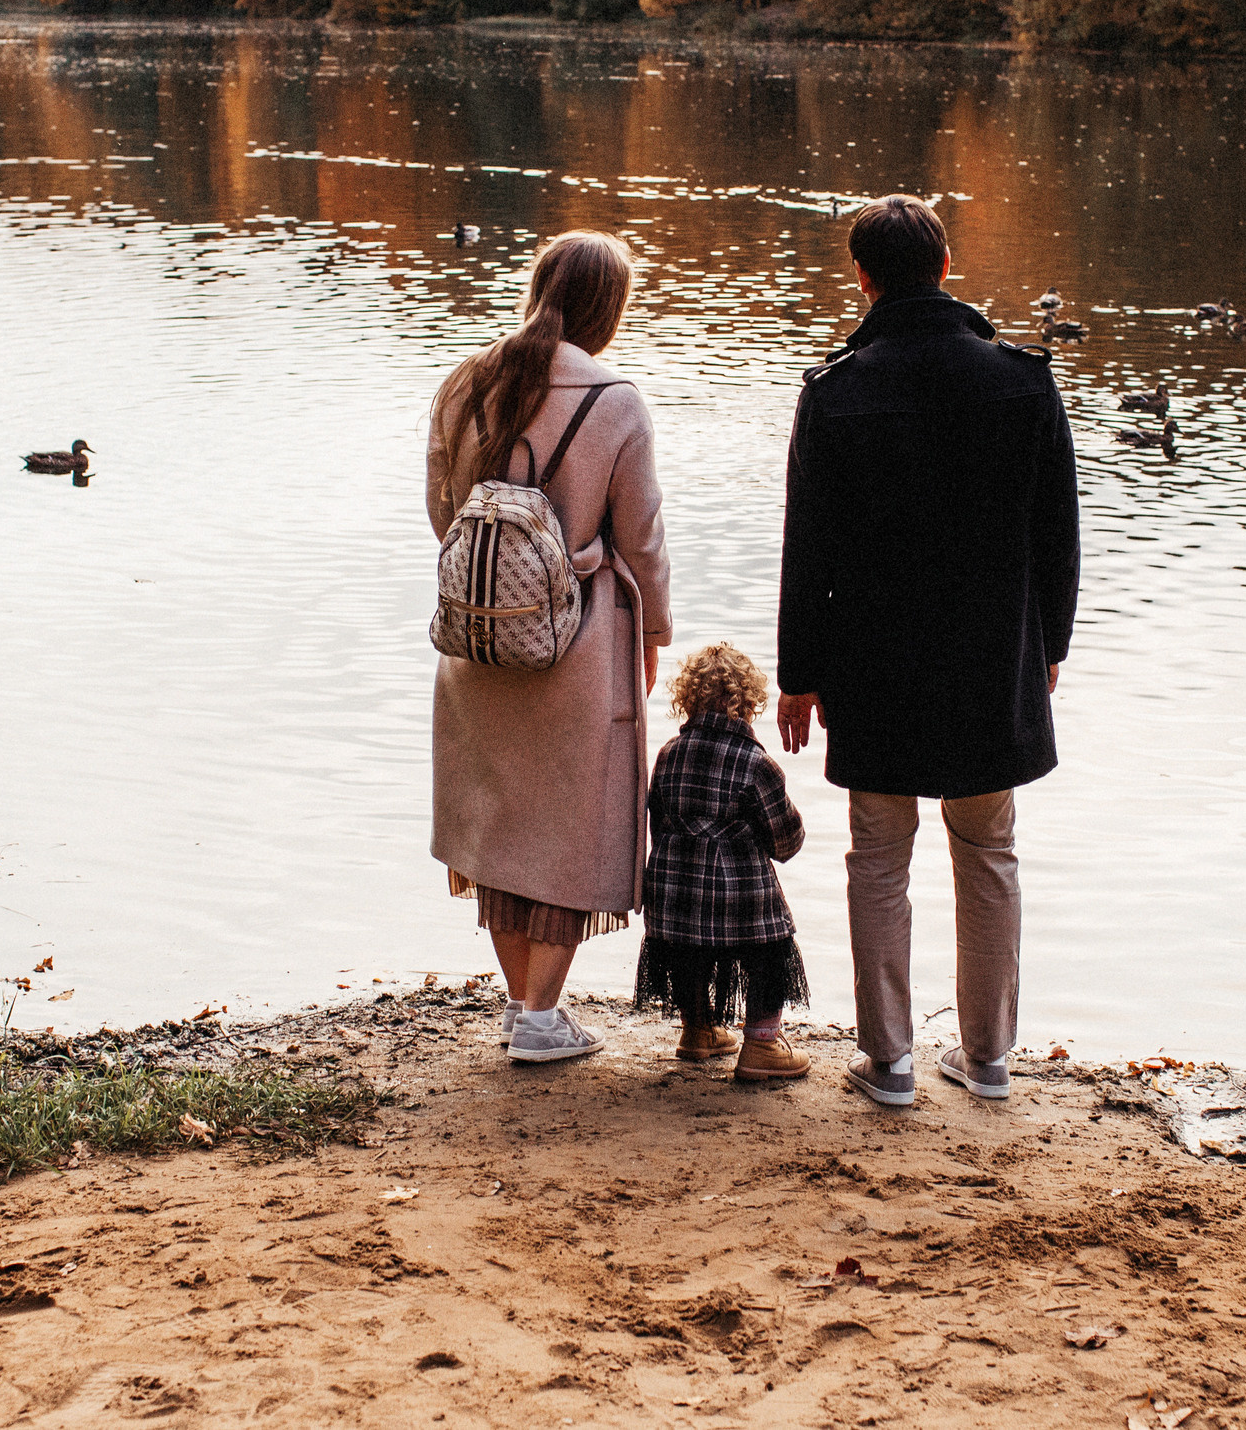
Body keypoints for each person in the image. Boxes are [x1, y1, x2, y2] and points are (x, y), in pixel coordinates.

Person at [776, 194, 1078, 1106]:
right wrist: (1049, 648)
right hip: (993, 661)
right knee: (988, 851)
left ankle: (891, 1062)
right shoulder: (1025, 381)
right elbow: (1058, 537)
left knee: (879, 854)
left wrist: (800, 675)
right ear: (947, 267)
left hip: (876, 662)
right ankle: (988, 1061)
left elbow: (809, 548)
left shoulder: (836, 391)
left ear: (863, 278)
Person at [429, 231, 672, 1064]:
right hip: (578, 643)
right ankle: (540, 1014)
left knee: (498, 823)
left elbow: (444, 511)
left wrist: (497, 587)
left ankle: (523, 1006)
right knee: (570, 825)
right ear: (609, 310)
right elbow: (641, 540)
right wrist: (656, 634)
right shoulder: (617, 400)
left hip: (475, 640)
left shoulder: (466, 381)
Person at [631, 643, 811, 1082]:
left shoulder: (668, 754)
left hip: (673, 905)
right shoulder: (756, 763)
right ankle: (763, 1045)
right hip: (740, 907)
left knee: (688, 952)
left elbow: (658, 819)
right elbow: (786, 842)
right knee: (771, 948)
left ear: (687, 700)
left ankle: (698, 1029)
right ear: (748, 704)